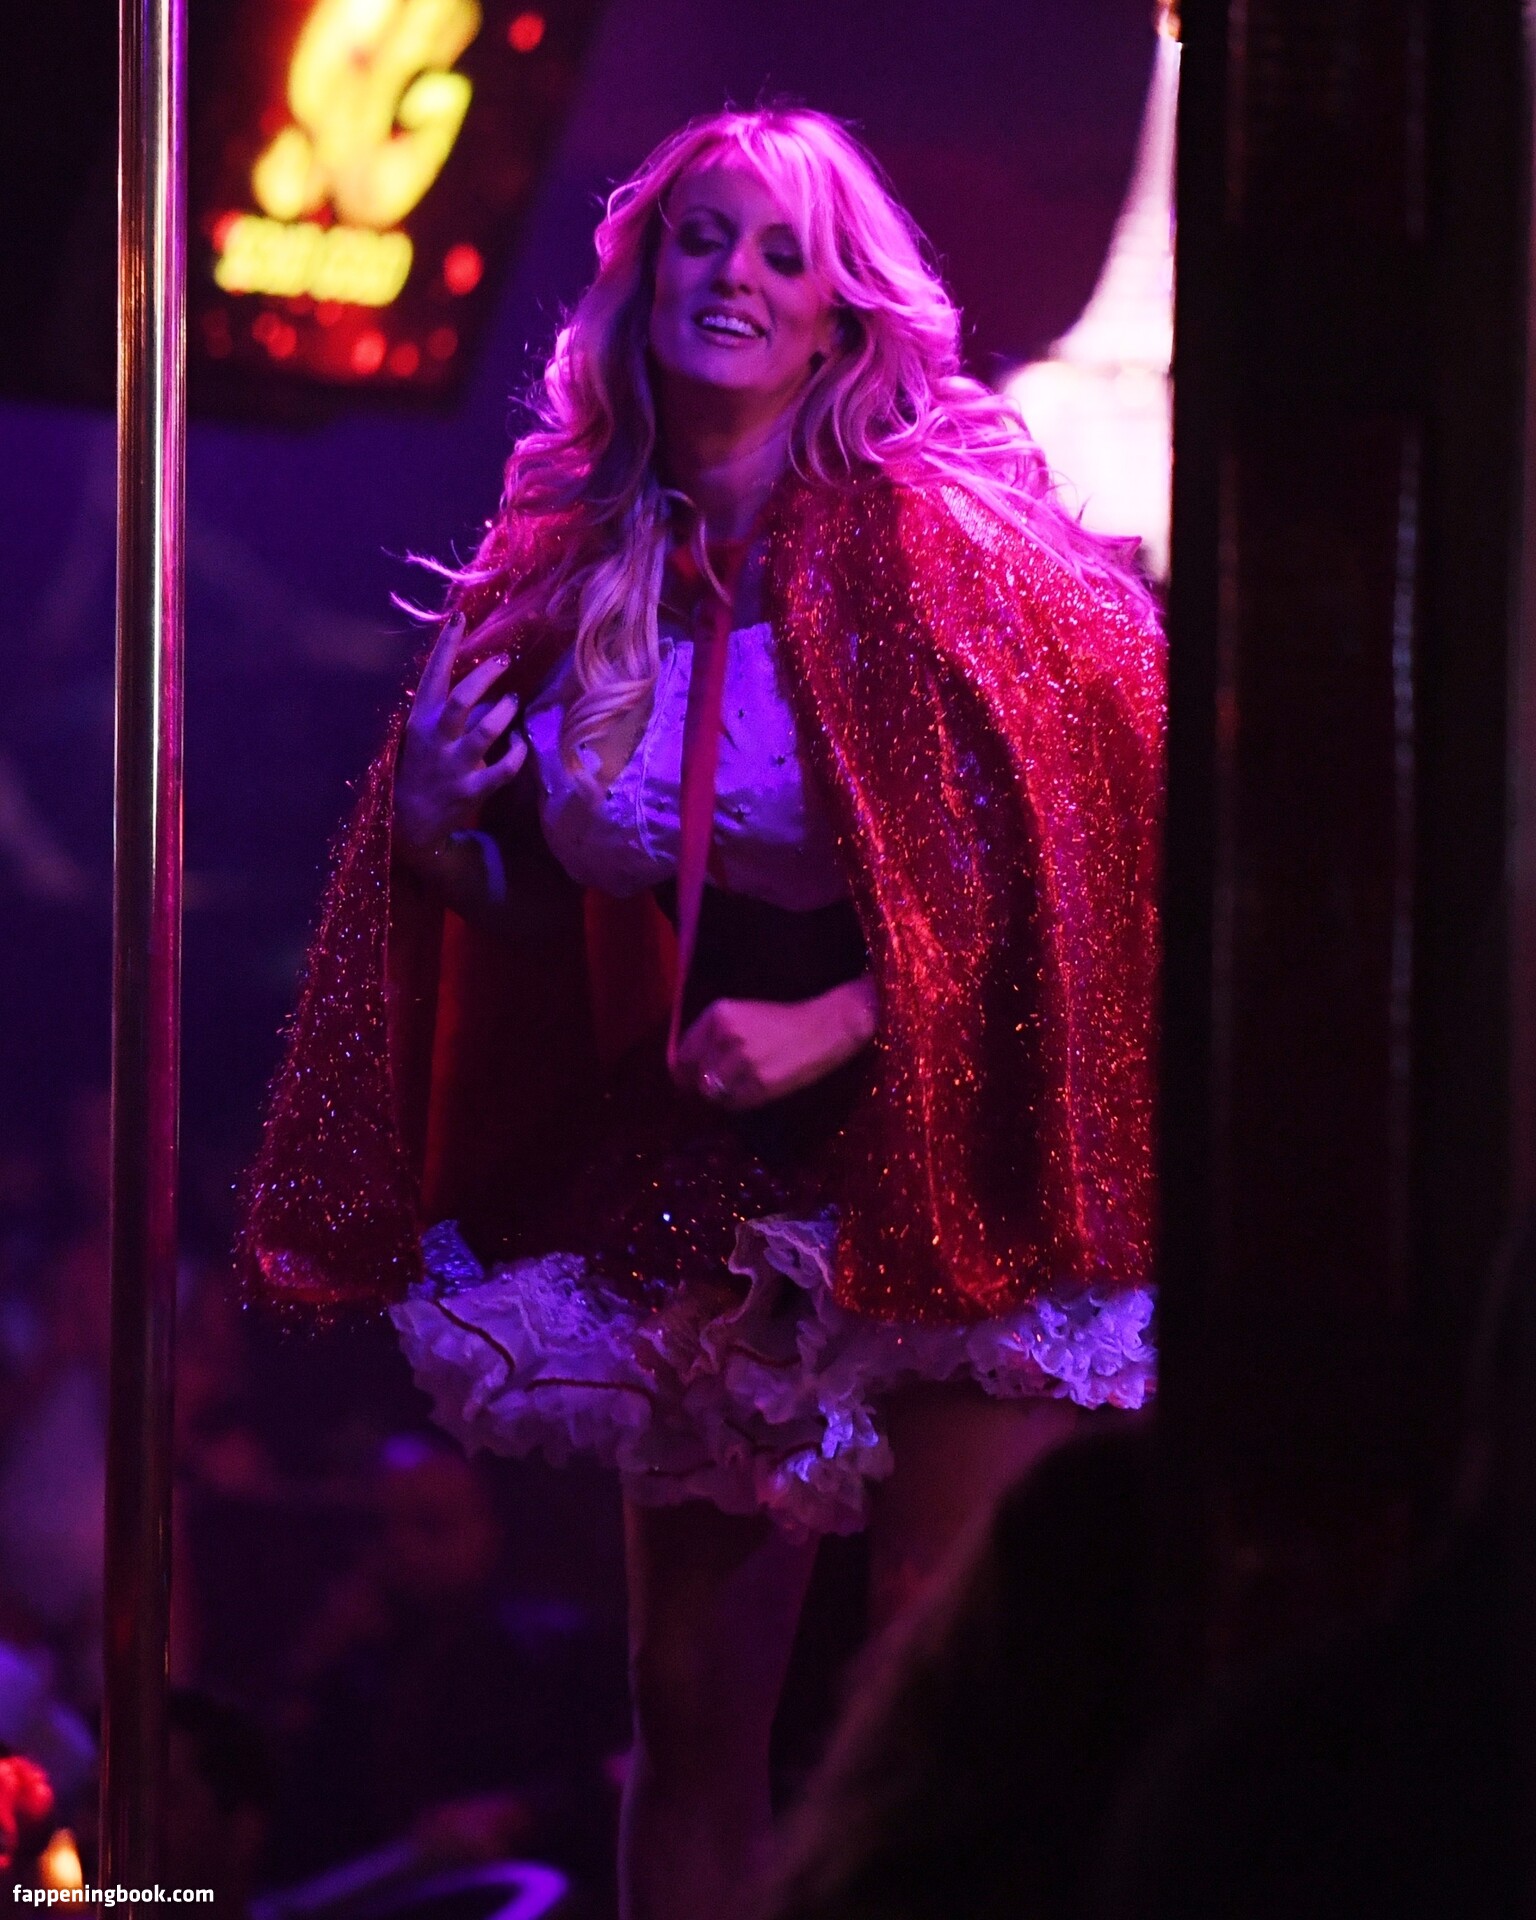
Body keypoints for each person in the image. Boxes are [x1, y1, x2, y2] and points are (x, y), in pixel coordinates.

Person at [239, 107, 1163, 1920]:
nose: (734, 274)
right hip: (706, 1175)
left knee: (938, 1677)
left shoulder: (935, 540)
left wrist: (853, 1010)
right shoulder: (576, 564)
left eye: (781, 251)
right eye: (702, 237)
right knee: (685, 1701)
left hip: (948, 1147)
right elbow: (557, 921)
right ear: (641, 276)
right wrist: (440, 842)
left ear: (838, 318)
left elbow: (1093, 842)